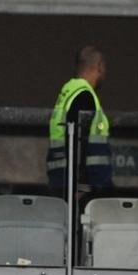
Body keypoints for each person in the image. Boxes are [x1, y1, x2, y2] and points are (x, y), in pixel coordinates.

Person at [47, 45, 112, 196]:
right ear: (100, 66)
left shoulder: (68, 91)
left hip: (62, 180)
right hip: (83, 185)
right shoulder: (84, 95)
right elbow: (79, 140)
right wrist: (82, 184)